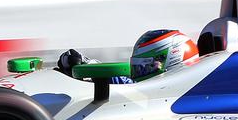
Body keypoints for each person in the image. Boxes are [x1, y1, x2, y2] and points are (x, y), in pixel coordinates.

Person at [55, 29, 200, 83]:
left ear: (174, 62)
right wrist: (84, 64)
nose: (139, 71)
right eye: (137, 65)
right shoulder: (144, 88)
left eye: (148, 65)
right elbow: (126, 83)